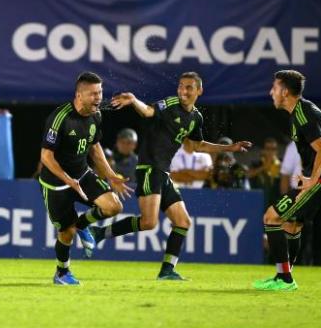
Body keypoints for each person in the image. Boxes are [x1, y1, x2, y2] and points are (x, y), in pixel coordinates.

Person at [90, 72, 252, 280]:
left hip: (163, 173)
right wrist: (133, 101)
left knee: (183, 222)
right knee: (149, 222)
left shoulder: (196, 118)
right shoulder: (171, 103)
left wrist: (231, 147)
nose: (183, 91)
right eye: (181, 86)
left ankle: (167, 270)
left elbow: (197, 146)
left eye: (189, 87)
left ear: (199, 91)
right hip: (149, 168)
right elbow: (148, 111)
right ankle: (99, 233)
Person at [253, 70, 321, 291]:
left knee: (271, 217)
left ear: (284, 91)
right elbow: (313, 153)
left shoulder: (303, 113)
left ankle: (284, 279)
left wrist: (312, 180)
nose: (270, 92)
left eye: (274, 88)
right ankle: (284, 278)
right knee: (292, 225)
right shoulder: (299, 113)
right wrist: (308, 175)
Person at [39, 71, 132, 285]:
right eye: (93, 94)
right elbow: (46, 156)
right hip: (56, 183)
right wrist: (67, 180)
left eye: (100, 92)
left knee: (113, 206)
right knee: (66, 231)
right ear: (79, 95)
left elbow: (94, 147)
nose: (98, 98)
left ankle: (83, 225)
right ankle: (62, 273)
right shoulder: (59, 118)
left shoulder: (96, 115)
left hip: (82, 174)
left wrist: (110, 174)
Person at [280, 140, 321, 265]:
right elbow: (285, 174)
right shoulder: (294, 145)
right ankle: (295, 265)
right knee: (298, 233)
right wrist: (286, 199)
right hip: (300, 194)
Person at [249, 137, 281, 206]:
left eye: (273, 149)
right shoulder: (256, 164)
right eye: (268, 149)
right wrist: (264, 167)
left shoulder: (282, 165)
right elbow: (248, 175)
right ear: (263, 150)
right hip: (258, 203)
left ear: (277, 151)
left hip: (276, 205)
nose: (270, 152)